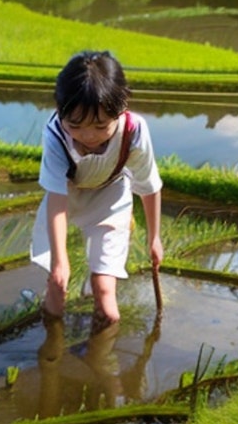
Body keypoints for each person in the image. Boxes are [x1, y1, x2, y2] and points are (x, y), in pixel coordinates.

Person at [30, 50, 163, 332]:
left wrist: (155, 238)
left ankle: (97, 361)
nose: (88, 136)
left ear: (122, 108)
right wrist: (59, 262)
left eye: (101, 126)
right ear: (60, 110)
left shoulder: (134, 131)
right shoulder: (54, 134)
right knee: (57, 288)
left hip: (111, 196)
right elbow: (57, 200)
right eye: (75, 126)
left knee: (106, 299)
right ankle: (50, 351)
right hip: (68, 195)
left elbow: (149, 185)